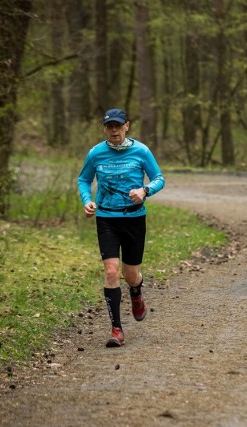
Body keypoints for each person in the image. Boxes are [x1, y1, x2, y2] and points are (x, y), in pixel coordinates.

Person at [78, 108, 165, 348]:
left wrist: (144, 191)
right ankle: (116, 329)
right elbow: (84, 179)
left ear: (127, 126)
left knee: (130, 275)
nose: (114, 130)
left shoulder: (141, 151)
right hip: (106, 218)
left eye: (118, 125)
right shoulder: (96, 153)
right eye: (109, 126)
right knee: (111, 272)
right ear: (104, 128)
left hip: (134, 219)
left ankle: (136, 291)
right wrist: (87, 200)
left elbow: (159, 178)